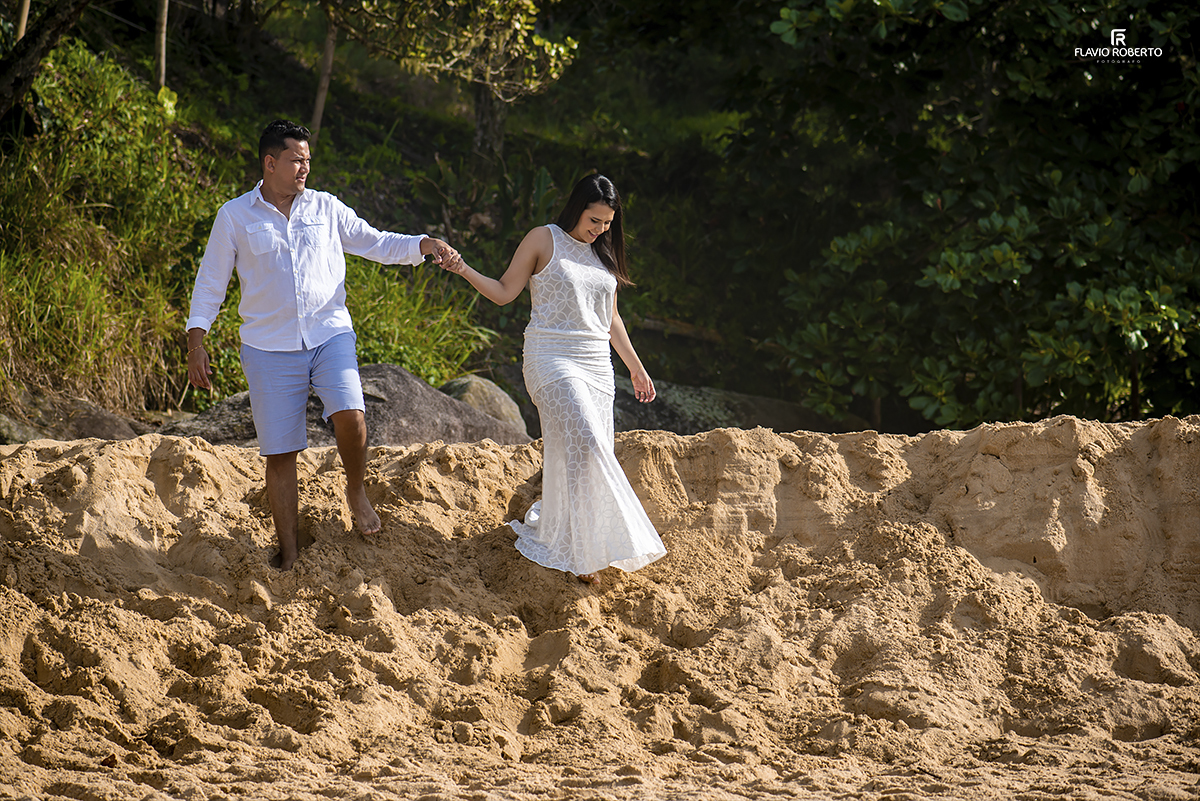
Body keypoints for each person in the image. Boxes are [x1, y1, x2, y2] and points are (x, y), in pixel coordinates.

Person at [186, 119, 460, 571]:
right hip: (267, 348)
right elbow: (210, 283)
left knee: (352, 415)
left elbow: (376, 242)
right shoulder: (234, 216)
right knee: (280, 452)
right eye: (297, 160)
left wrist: (423, 244)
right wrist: (197, 342)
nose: (304, 169)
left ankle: (355, 489)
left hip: (329, 333)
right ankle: (290, 554)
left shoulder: (326, 208)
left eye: (308, 160)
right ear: (270, 162)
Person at [440, 173, 666, 584]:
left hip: (597, 365)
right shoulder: (544, 239)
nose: (599, 230)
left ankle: (579, 538)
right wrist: (463, 268)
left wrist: (636, 366)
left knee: (583, 454)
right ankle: (587, 554)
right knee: (590, 441)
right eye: (593, 220)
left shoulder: (605, 255)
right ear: (577, 207)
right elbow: (506, 291)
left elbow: (611, 318)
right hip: (550, 357)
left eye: (607, 224)